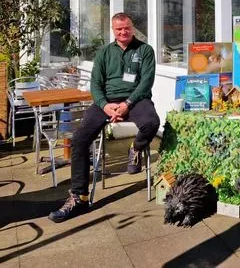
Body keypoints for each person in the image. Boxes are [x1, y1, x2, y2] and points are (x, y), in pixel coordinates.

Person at [49, 13, 160, 223]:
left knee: (151, 122)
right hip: (107, 102)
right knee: (80, 140)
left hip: (136, 100)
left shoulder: (145, 50)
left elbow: (146, 82)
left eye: (127, 28)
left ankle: (135, 149)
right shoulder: (104, 53)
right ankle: (79, 198)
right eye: (119, 29)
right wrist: (105, 105)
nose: (123, 32)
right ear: (113, 30)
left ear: (133, 27)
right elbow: (95, 84)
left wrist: (127, 105)